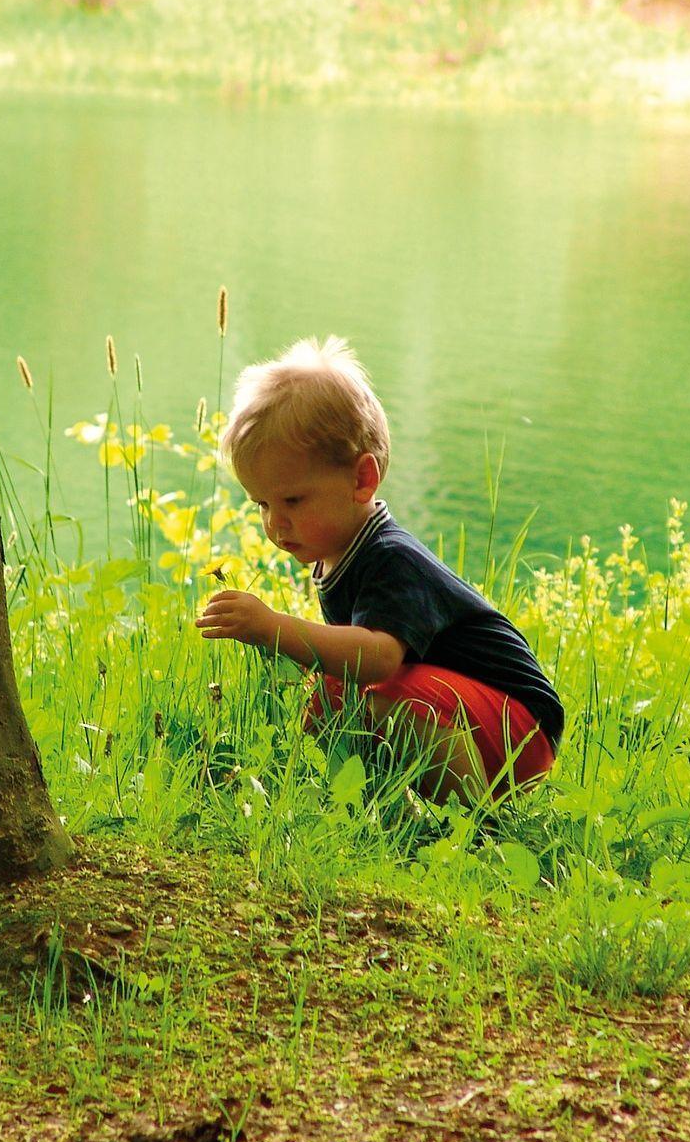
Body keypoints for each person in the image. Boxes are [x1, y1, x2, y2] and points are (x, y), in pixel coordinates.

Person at [194, 335, 564, 803]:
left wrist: (272, 627)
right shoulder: (343, 553)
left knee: (382, 691)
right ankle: (366, 799)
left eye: (292, 500)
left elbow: (378, 658)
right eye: (262, 504)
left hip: (520, 728)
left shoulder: (390, 557)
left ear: (362, 480)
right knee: (330, 694)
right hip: (472, 716)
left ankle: (472, 819)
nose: (275, 522)